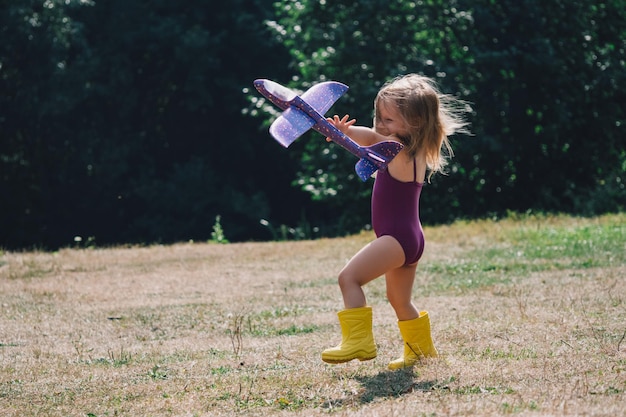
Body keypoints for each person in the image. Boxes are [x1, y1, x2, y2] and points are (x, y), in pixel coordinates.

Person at [321, 74, 470, 369]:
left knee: (348, 278)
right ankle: (420, 352)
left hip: (396, 239)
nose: (381, 125)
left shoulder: (395, 150)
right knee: (398, 299)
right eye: (379, 117)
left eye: (389, 120)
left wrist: (341, 134)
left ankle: (358, 341)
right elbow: (370, 138)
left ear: (414, 123)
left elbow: (368, 139)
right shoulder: (413, 152)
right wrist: (343, 134)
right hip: (410, 239)